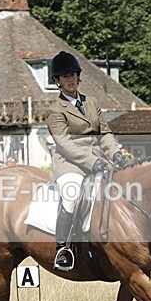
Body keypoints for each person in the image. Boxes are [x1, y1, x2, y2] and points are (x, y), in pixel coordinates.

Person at [46, 50, 124, 270]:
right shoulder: (55, 110)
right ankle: (63, 248)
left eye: (73, 74)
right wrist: (92, 162)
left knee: (123, 186)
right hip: (70, 163)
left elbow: (105, 133)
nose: (70, 79)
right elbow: (65, 145)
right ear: (57, 81)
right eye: (64, 76)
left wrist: (115, 152)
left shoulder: (91, 103)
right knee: (71, 194)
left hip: (99, 159)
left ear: (78, 76)